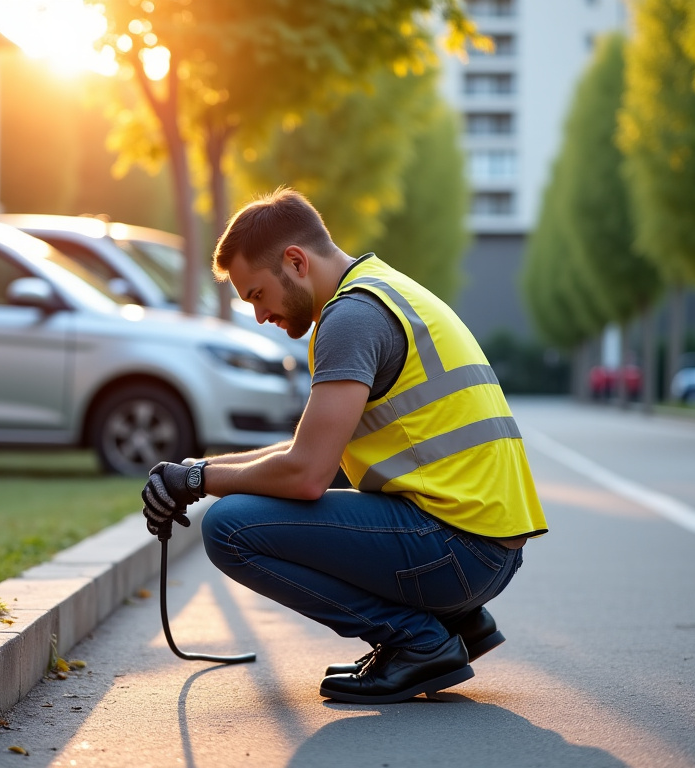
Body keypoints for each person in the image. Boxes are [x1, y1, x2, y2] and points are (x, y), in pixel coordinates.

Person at [140, 188, 547, 704]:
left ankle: (417, 641)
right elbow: (308, 451)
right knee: (249, 503)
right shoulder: (383, 291)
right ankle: (453, 623)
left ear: (295, 261)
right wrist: (196, 470)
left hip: (458, 553)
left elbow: (306, 474)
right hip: (489, 551)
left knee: (229, 527)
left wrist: (197, 481)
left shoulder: (350, 319)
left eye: (258, 295)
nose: (260, 315)